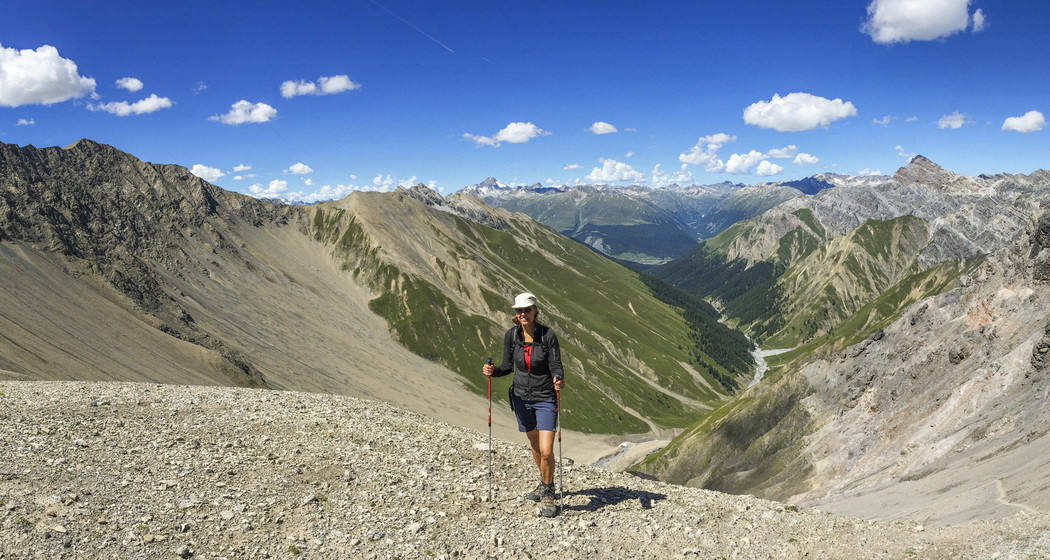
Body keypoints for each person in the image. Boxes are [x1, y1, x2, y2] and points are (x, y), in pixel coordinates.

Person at [483, 292, 566, 517]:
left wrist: (558, 378)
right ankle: (544, 481)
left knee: (547, 450)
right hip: (521, 397)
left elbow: (556, 365)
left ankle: (548, 490)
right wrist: (493, 371)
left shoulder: (547, 336)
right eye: (519, 310)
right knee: (535, 444)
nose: (523, 314)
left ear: (535, 311)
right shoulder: (512, 336)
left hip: (545, 397)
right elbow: (507, 366)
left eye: (527, 310)